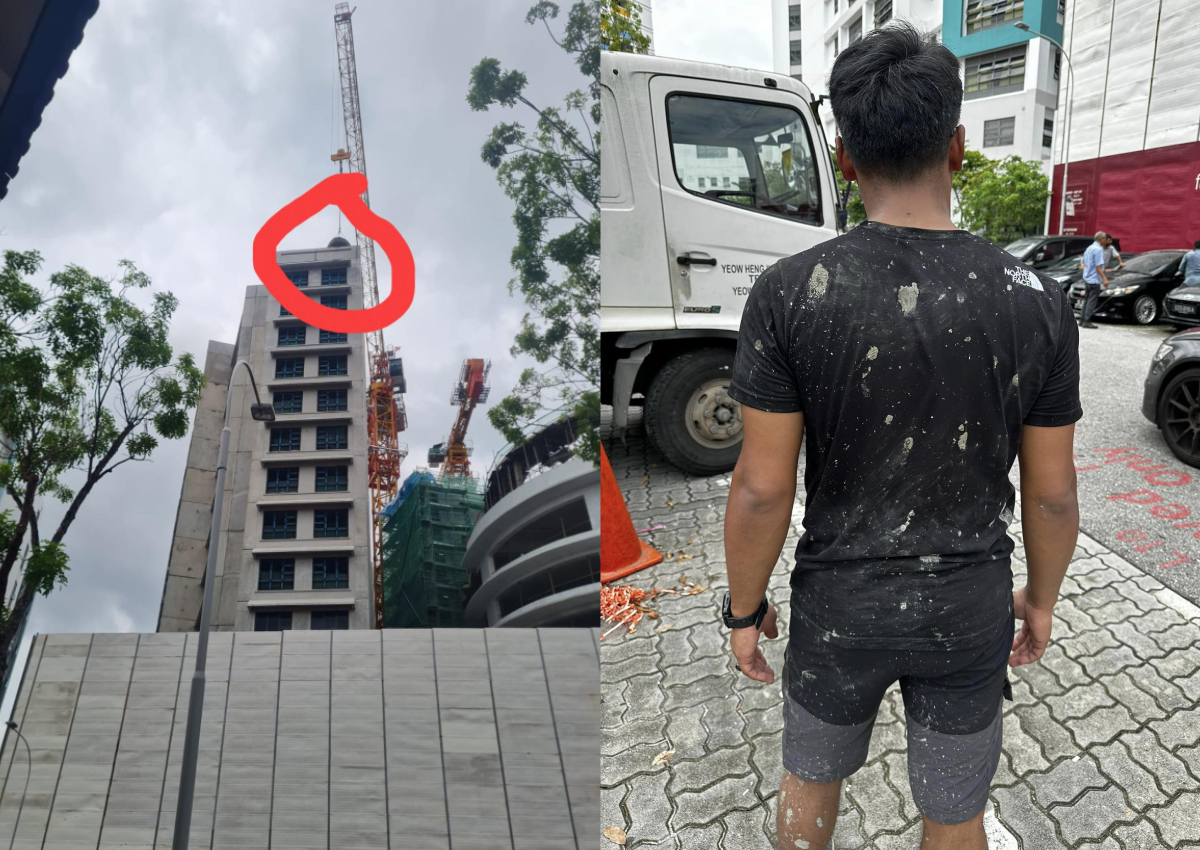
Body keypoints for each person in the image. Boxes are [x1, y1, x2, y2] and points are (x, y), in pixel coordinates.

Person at [722, 23, 1080, 850]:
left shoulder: (788, 293)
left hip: (836, 607)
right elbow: (1053, 491)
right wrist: (1041, 600)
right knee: (956, 814)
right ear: (957, 147)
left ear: (845, 158)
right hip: (969, 607)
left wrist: (743, 609)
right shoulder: (1036, 299)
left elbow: (761, 487)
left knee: (808, 792)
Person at [1079, 232, 1109, 328]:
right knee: (1092, 301)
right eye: (1104, 239)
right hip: (1094, 279)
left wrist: (1086, 271)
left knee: (1087, 299)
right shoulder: (1098, 250)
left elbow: (1082, 262)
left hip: (1087, 278)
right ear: (1102, 239)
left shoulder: (1089, 248)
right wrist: (1104, 278)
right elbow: (1098, 266)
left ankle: (1082, 319)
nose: (1105, 240)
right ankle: (1087, 320)